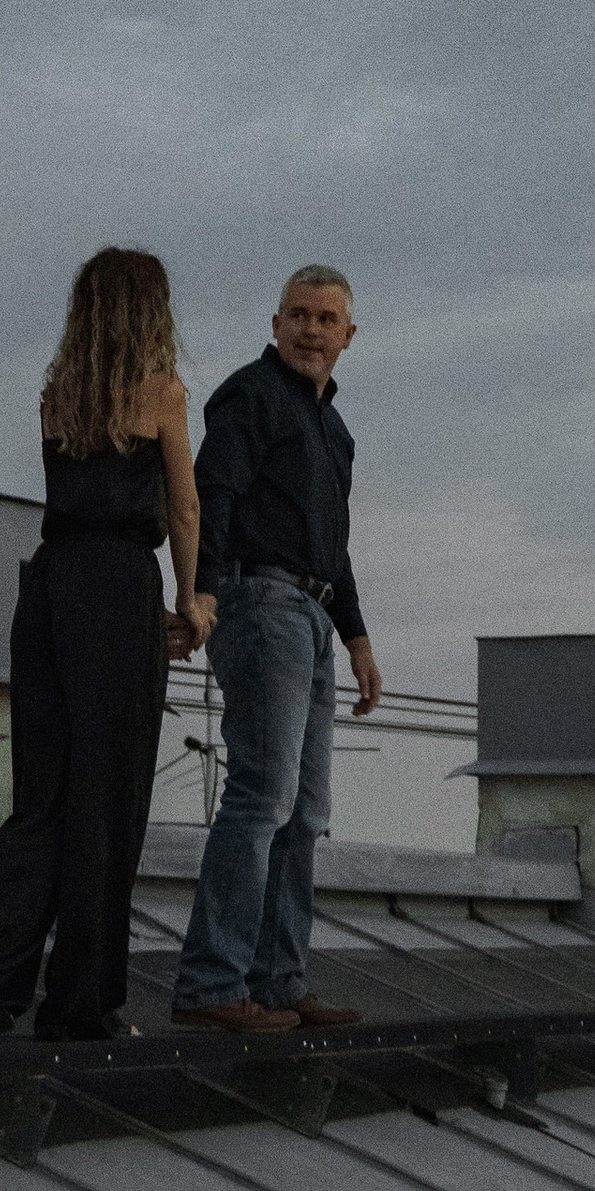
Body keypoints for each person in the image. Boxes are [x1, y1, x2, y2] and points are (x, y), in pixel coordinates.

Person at [0, 245, 207, 1042]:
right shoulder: (164, 392)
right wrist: (188, 599)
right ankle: (81, 1003)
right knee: (107, 802)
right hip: (118, 588)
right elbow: (183, 509)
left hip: (47, 588)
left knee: (44, 796)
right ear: (151, 312)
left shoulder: (57, 395)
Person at [169, 265, 383, 1035]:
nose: (311, 330)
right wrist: (205, 596)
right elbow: (210, 492)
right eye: (298, 315)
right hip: (259, 603)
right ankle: (211, 985)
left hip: (316, 617)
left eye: (327, 319)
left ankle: (279, 982)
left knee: (307, 810)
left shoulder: (336, 432)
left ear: (348, 336)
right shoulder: (248, 396)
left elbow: (335, 546)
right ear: (275, 323)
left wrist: (357, 638)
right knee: (264, 795)